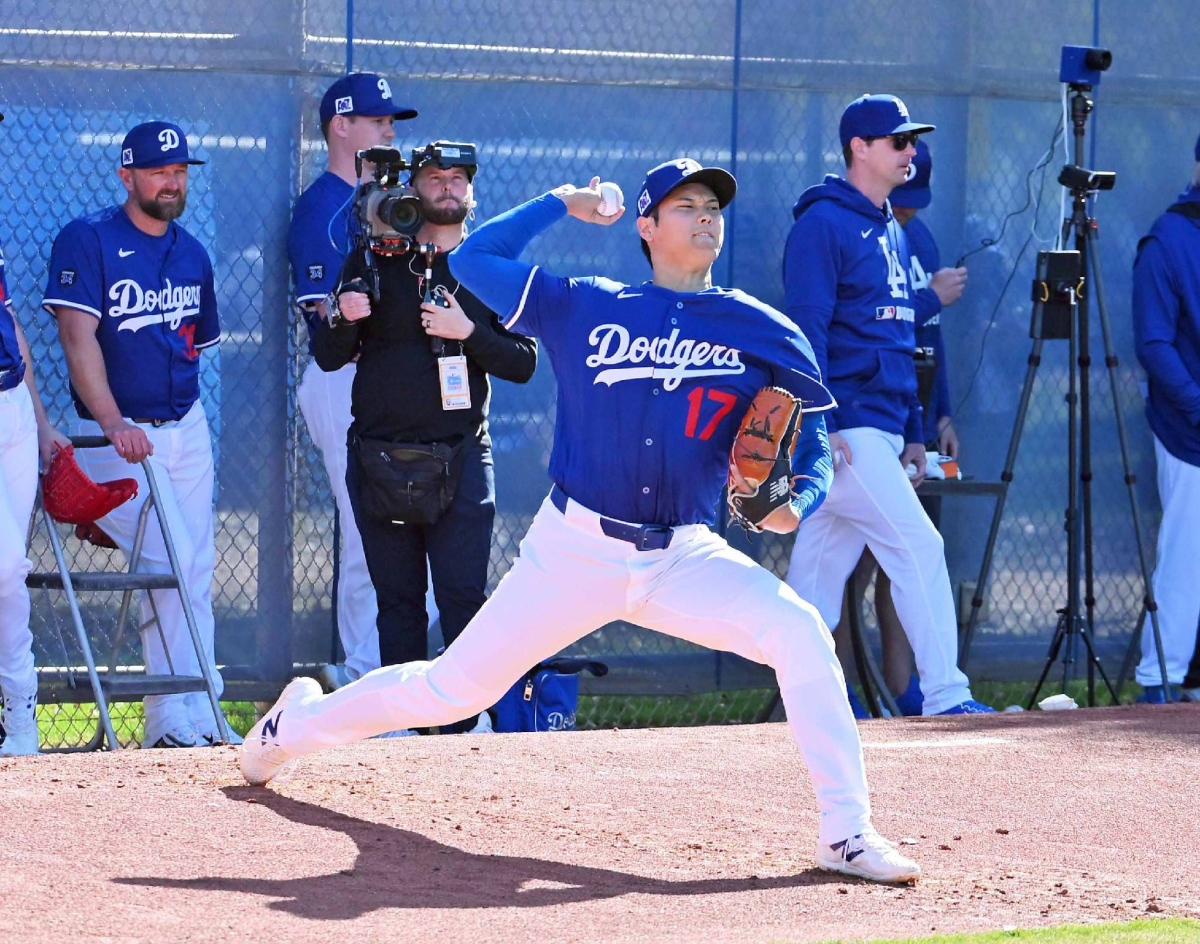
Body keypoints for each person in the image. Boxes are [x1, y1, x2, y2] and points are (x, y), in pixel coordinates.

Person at [243, 157, 924, 885]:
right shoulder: (586, 304)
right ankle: (291, 728)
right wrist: (557, 203)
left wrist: (802, 499)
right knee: (451, 689)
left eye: (713, 207)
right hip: (574, 549)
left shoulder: (763, 329)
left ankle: (846, 833)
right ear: (645, 223)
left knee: (799, 633)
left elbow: (814, 440)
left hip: (684, 556)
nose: (704, 216)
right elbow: (472, 258)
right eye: (685, 204)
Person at [313, 141, 537, 735]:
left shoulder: (490, 268)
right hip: (380, 459)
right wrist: (343, 314)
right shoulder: (375, 258)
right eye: (434, 177)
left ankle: (465, 723)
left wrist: (469, 333)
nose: (446, 187)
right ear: (414, 188)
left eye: (458, 179)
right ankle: (405, 727)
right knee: (399, 604)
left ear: (471, 191)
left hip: (461, 457)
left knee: (464, 598)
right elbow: (329, 356)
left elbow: (524, 363)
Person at [782, 94, 991, 716]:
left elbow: (902, 341)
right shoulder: (822, 224)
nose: (911, 151)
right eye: (898, 141)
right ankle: (947, 696)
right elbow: (806, 333)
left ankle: (800, 697)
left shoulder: (893, 231)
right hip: (846, 428)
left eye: (913, 141)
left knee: (816, 579)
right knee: (919, 549)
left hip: (880, 427)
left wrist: (915, 431)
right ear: (859, 149)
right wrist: (816, 426)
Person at [42, 120, 233, 748]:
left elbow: (194, 347)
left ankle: (191, 716)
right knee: (170, 557)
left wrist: (176, 419)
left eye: (179, 172)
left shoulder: (194, 253)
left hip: (185, 428)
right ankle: (176, 712)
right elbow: (77, 340)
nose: (171, 182)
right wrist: (114, 421)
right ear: (127, 176)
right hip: (112, 439)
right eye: (157, 171)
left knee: (193, 566)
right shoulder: (88, 239)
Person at [287, 73, 418, 690]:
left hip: (396, 379)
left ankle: (405, 670)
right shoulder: (321, 207)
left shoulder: (401, 202)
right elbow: (328, 318)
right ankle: (368, 671)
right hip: (344, 379)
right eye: (375, 119)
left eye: (391, 119)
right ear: (342, 125)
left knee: (408, 523)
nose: (389, 128)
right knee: (370, 525)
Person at [839, 139, 966, 717]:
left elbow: (922, 344)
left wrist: (934, 417)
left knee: (875, 564)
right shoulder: (845, 225)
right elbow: (866, 324)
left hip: (899, 418)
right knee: (879, 560)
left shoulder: (909, 232)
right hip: (857, 420)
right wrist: (929, 298)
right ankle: (932, 694)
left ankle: (903, 690)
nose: (908, 206)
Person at [0, 110, 72, 756]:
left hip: (11, 410)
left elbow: (9, 322)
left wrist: (43, 421)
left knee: (7, 571)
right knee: (0, 564)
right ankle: (18, 704)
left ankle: (22, 719)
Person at [1130, 133, 1200, 704]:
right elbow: (1154, 344)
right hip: (1189, 433)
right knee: (1186, 557)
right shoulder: (1167, 239)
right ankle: (1161, 681)